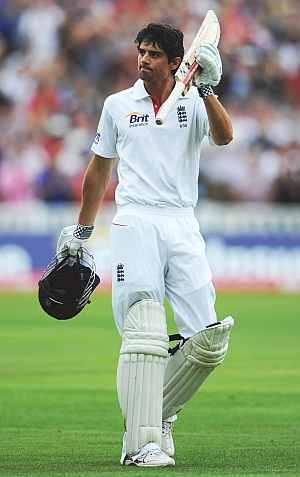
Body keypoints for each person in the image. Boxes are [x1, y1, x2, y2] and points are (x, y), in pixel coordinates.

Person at [58, 23, 234, 467]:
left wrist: (209, 88)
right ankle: (140, 445)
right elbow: (98, 173)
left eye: (154, 54)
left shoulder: (193, 101)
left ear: (177, 62)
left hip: (182, 220)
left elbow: (225, 136)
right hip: (136, 218)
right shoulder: (118, 105)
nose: (144, 60)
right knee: (145, 328)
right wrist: (81, 232)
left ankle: (157, 413)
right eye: (141, 52)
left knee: (209, 341)